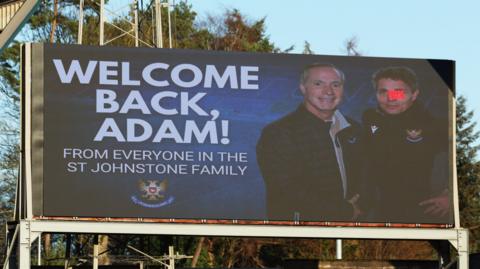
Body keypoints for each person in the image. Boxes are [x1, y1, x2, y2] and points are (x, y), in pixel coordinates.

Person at [256, 63, 363, 222]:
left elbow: (370, 179)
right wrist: (344, 212)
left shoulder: (354, 129)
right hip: (299, 236)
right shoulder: (278, 133)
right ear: (303, 88)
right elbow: (287, 190)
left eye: (335, 84)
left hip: (353, 233)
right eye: (318, 84)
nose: (328, 91)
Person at [362, 66, 450, 223]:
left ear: (414, 94)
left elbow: (461, 166)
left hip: (422, 215)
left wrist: (450, 195)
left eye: (398, 92)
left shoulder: (435, 127)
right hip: (378, 214)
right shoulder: (369, 120)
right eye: (383, 92)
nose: (390, 99)